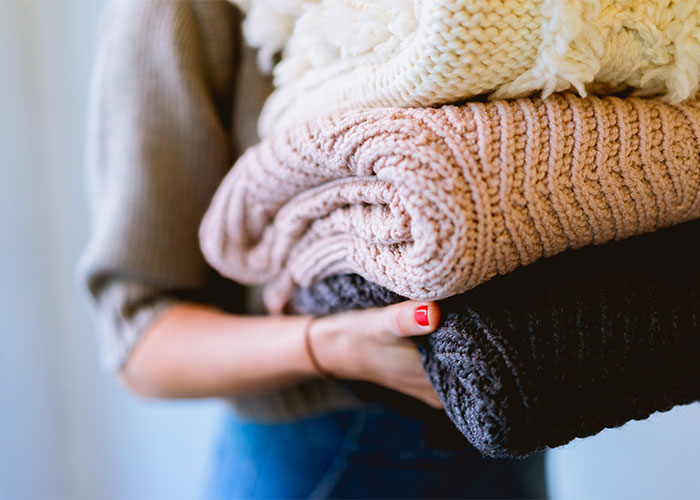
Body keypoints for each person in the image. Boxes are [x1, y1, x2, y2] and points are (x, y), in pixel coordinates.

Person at [78, 1, 546, 498]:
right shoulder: (177, 12)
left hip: (513, 427)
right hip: (329, 453)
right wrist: (328, 346)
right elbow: (140, 341)